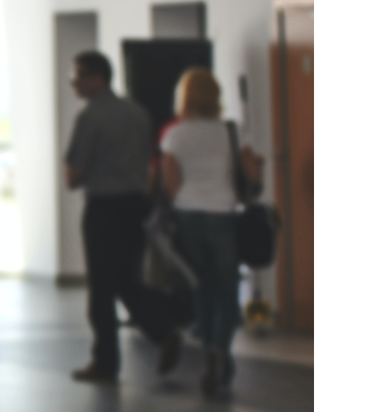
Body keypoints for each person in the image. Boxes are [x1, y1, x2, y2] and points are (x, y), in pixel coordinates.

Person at [63, 50, 184, 384]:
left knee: (102, 285)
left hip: (103, 206)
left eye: (77, 76)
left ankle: (106, 362)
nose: (74, 83)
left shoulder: (89, 118)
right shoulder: (138, 113)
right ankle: (162, 332)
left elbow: (74, 174)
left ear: (96, 78)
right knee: (127, 278)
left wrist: (77, 174)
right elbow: (149, 163)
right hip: (134, 205)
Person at [158, 68, 260, 394]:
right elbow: (251, 173)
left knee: (200, 288)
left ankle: (208, 355)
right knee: (227, 290)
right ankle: (219, 350)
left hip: (188, 217)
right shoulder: (231, 132)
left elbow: (170, 186)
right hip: (223, 215)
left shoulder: (175, 135)